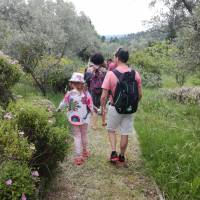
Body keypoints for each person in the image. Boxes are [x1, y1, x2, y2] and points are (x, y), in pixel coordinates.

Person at [101, 48, 142, 166]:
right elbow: (140, 94)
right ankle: (122, 156)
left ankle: (113, 153)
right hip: (129, 109)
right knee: (125, 132)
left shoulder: (111, 74)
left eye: (115, 56)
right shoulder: (135, 73)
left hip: (115, 107)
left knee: (111, 130)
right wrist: (133, 103)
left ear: (117, 58)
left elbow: (104, 96)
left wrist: (103, 108)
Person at [57, 72, 93, 165]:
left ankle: (78, 157)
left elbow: (63, 103)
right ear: (82, 83)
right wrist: (92, 112)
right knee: (84, 134)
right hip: (85, 117)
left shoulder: (69, 94)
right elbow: (90, 104)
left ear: (71, 83)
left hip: (74, 118)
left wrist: (59, 109)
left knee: (77, 136)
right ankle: (85, 151)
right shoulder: (86, 93)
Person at [89, 53, 107, 129]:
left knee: (94, 108)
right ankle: (103, 122)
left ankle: (94, 125)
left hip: (93, 90)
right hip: (103, 90)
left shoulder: (90, 69)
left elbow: (87, 80)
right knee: (103, 106)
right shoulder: (105, 71)